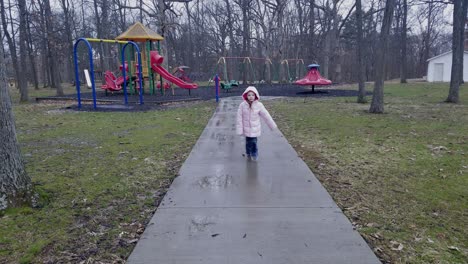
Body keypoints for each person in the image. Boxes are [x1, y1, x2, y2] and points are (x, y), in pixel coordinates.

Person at [236, 86, 277, 161]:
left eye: (252, 95)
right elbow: (239, 118)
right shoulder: (242, 105)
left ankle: (254, 154)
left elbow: (266, 115)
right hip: (246, 128)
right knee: (248, 142)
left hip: (255, 128)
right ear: (246, 96)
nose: (251, 97)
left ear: (255, 95)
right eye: (249, 95)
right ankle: (248, 152)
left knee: (254, 142)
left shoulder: (259, 105)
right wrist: (240, 129)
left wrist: (272, 125)